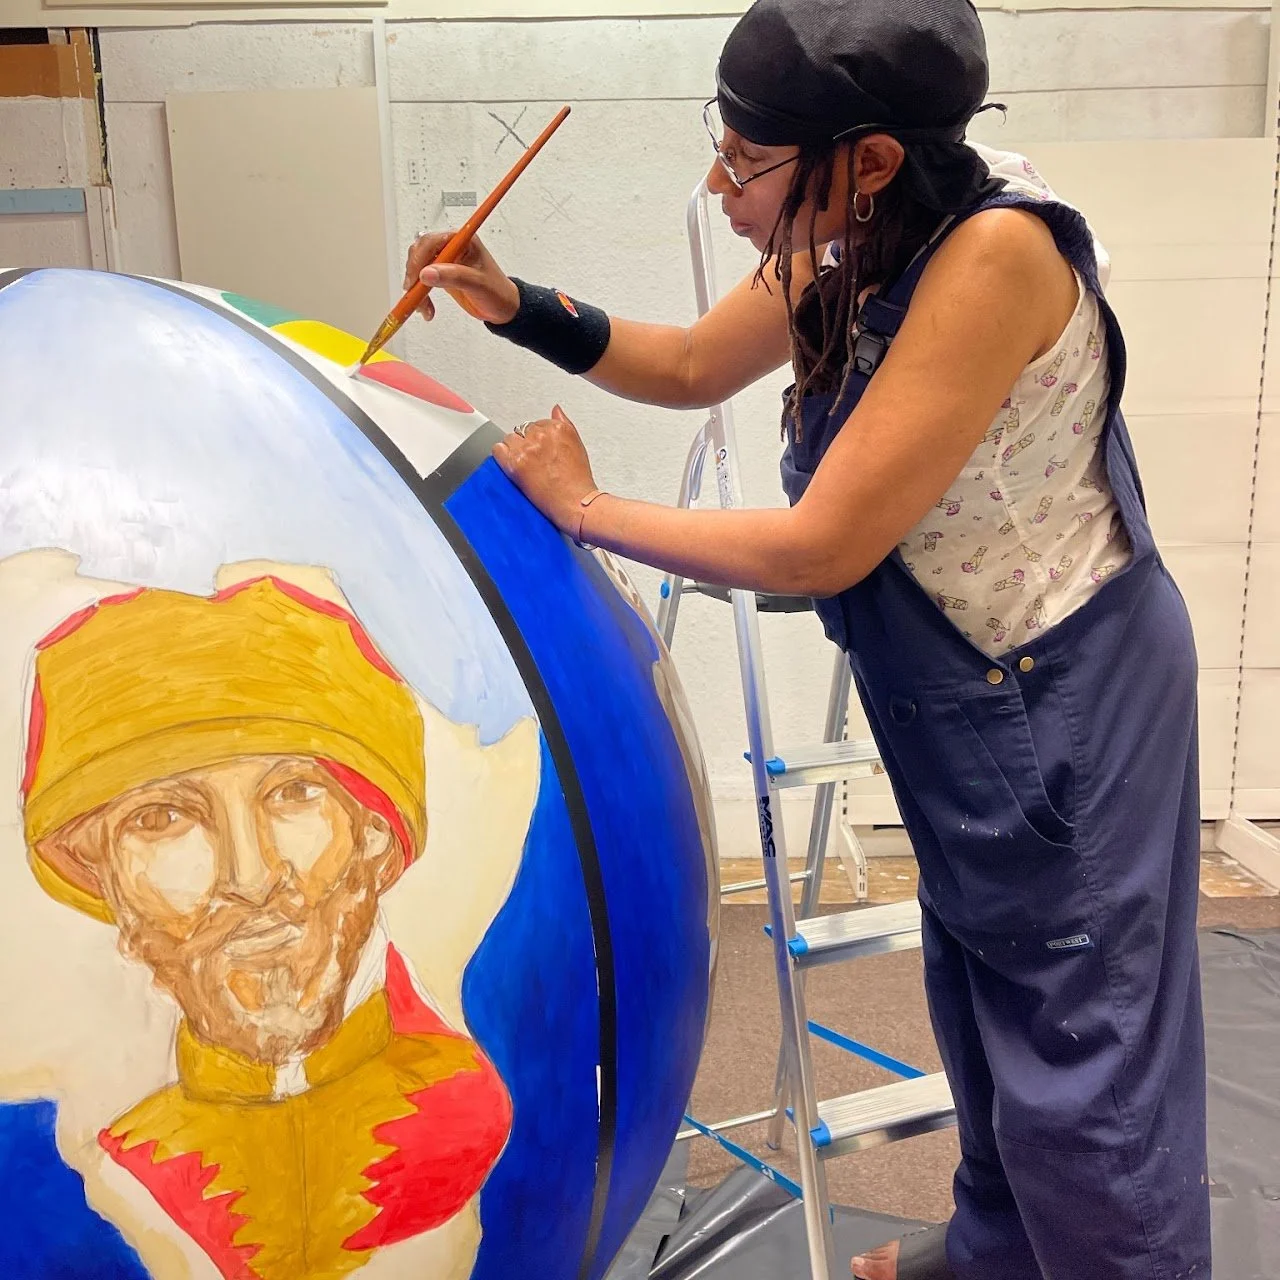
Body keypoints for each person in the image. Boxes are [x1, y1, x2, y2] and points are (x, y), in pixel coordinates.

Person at [402, 0, 1209, 1276]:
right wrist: (513, 303)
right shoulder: (859, 222)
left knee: (1085, 1049)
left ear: (870, 155)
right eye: (718, 149)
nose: (720, 189)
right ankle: (997, 1252)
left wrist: (588, 508)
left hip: (1064, 695)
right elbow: (681, 365)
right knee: (984, 993)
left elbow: (817, 546)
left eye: (748, 164)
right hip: (969, 685)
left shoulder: (989, 252)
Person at [21, 570, 512, 1280]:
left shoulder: (484, 1115)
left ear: (373, 837)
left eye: (294, 792)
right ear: (108, 885)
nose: (249, 879)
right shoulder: (112, 1174)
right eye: (162, 819)